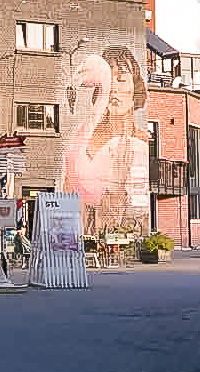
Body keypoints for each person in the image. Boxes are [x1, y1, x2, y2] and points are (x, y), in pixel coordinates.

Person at [64, 45, 153, 234]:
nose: (114, 90)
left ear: (135, 87)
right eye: (109, 82)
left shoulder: (142, 142)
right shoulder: (87, 145)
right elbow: (71, 207)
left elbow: (141, 210)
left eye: (121, 79)